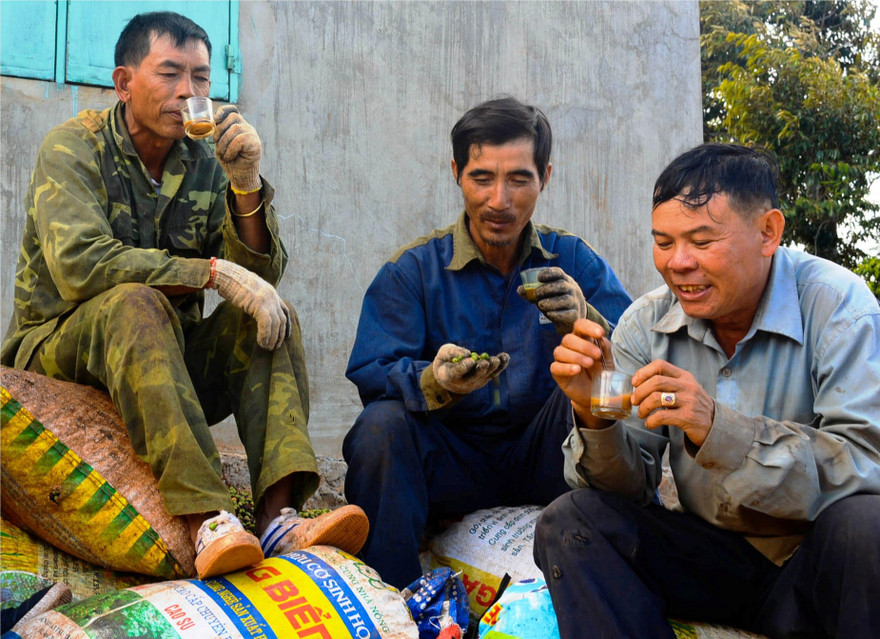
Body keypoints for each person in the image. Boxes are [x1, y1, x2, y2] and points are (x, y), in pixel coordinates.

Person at [0, 11, 367, 580]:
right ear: (124, 83)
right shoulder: (73, 146)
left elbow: (257, 277)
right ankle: (208, 519)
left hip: (162, 360)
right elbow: (80, 265)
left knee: (273, 318)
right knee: (136, 301)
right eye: (170, 73)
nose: (188, 92)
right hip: (60, 351)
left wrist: (245, 184)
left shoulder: (206, 159)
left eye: (200, 78)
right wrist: (212, 274)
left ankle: (278, 517)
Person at [535, 143, 880, 638]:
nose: (678, 263)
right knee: (572, 520)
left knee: (868, 522)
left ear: (768, 233)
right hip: (713, 558)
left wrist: (720, 430)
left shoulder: (839, 308)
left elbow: (868, 466)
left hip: (816, 565)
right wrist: (597, 413)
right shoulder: (644, 323)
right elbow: (627, 488)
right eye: (663, 241)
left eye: (701, 240)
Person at [343, 96, 633, 588]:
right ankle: (393, 601)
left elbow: (633, 372)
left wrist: (588, 321)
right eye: (482, 178)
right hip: (454, 462)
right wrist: (433, 380)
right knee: (381, 427)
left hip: (550, 457)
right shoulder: (414, 270)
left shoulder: (575, 260)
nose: (499, 200)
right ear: (457, 172)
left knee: (600, 405)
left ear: (545, 176)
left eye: (519, 179)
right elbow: (373, 372)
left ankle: (627, 571)